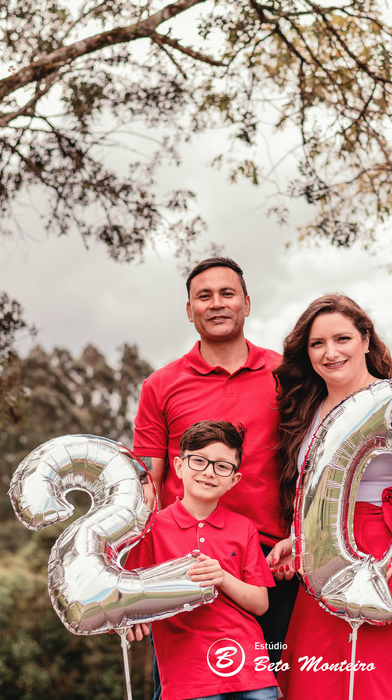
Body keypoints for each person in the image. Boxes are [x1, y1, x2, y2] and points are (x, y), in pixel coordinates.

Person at [266, 294, 392, 699]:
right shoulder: (305, 411)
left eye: (342, 338)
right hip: (323, 562)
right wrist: (296, 541)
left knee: (385, 681)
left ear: (366, 341)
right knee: (321, 681)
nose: (330, 352)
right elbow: (314, 493)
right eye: (317, 343)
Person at [130, 258, 297, 670]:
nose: (217, 303)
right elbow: (146, 483)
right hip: (182, 564)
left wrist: (301, 539)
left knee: (271, 686)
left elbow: (307, 462)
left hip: (271, 563)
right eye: (204, 296)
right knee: (188, 689)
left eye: (227, 293)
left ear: (247, 303)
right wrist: (135, 577)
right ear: (190, 310)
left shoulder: (286, 375)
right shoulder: (161, 385)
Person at [126, 421, 279, 700]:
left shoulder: (244, 528)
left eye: (222, 466)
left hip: (249, 671)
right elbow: (131, 595)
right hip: (188, 676)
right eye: (199, 461)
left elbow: (260, 603)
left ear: (234, 479)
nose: (209, 472)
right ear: (179, 467)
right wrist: (130, 617)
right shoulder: (151, 529)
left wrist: (222, 577)